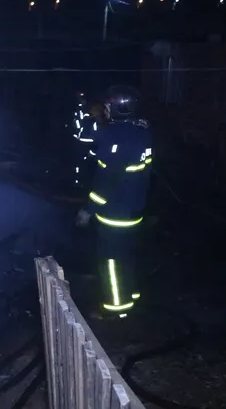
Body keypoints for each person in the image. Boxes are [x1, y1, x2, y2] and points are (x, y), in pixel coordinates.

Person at [76, 85, 152, 318]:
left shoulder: (116, 139)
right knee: (127, 256)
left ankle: (115, 310)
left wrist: (88, 210)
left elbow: (107, 181)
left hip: (115, 213)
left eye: (108, 106)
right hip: (134, 209)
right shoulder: (141, 131)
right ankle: (131, 297)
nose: (105, 109)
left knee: (110, 261)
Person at [71, 93, 106, 190]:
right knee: (79, 164)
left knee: (89, 166)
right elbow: (76, 125)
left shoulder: (95, 116)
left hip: (90, 145)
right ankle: (78, 184)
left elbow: (98, 133)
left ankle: (86, 185)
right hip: (81, 144)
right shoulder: (81, 111)